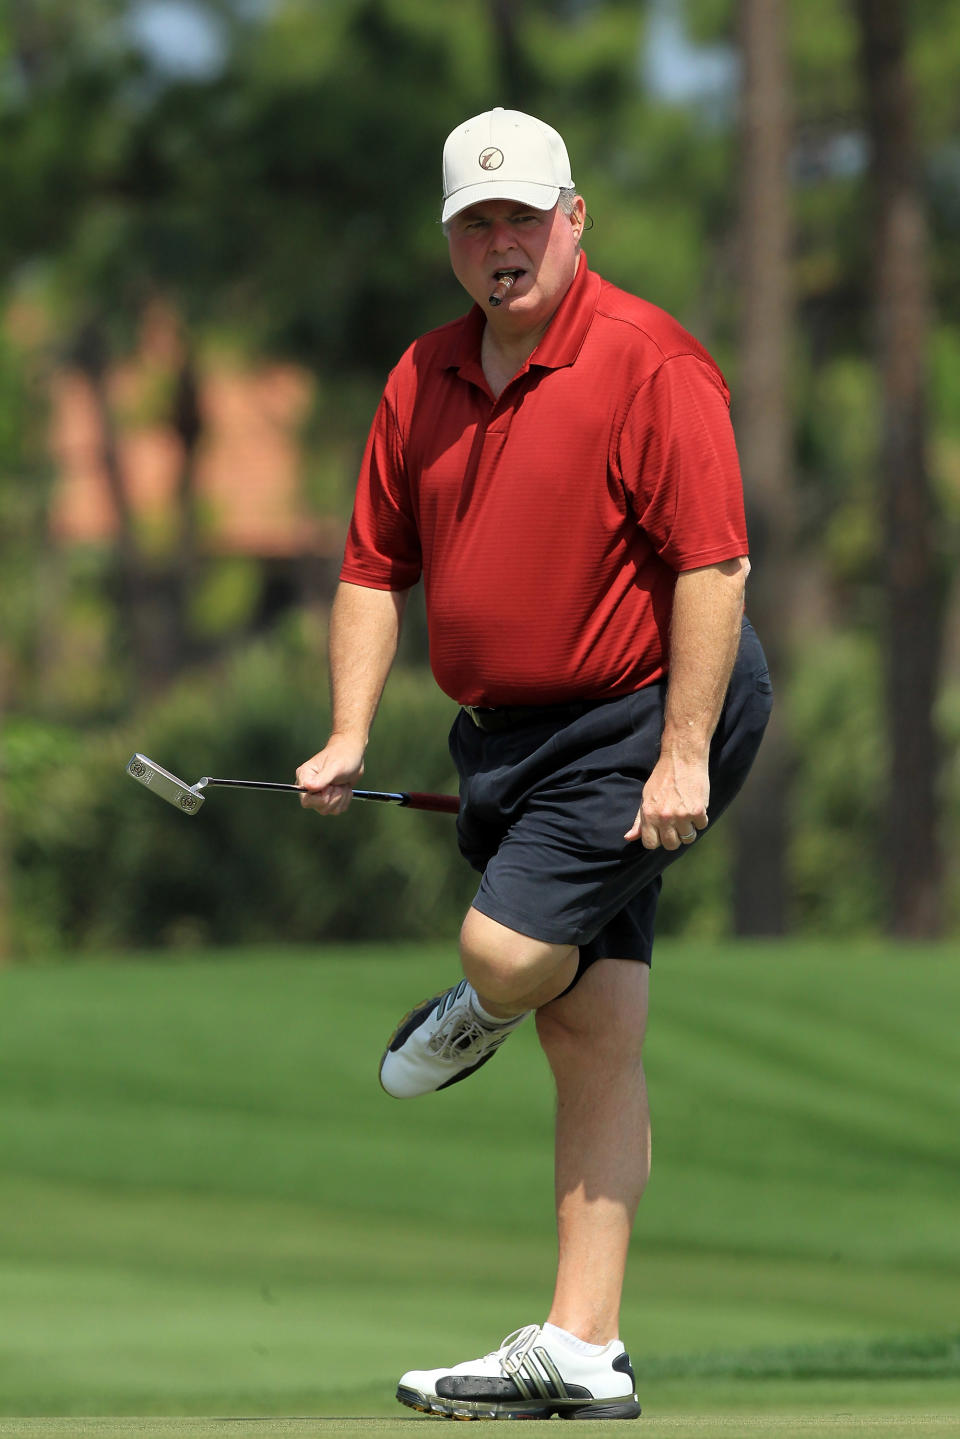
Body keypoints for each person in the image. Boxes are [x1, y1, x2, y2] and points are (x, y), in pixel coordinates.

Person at [296, 106, 771, 1422]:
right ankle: (584, 1346)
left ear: (574, 219)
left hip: (647, 709)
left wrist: (682, 754)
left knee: (510, 959)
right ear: (452, 238)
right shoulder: (423, 378)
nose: (501, 245)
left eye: (523, 217)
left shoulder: (650, 363)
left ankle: (479, 1004)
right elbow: (369, 569)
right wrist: (347, 734)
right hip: (506, 738)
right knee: (595, 1029)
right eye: (475, 223)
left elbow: (715, 565)